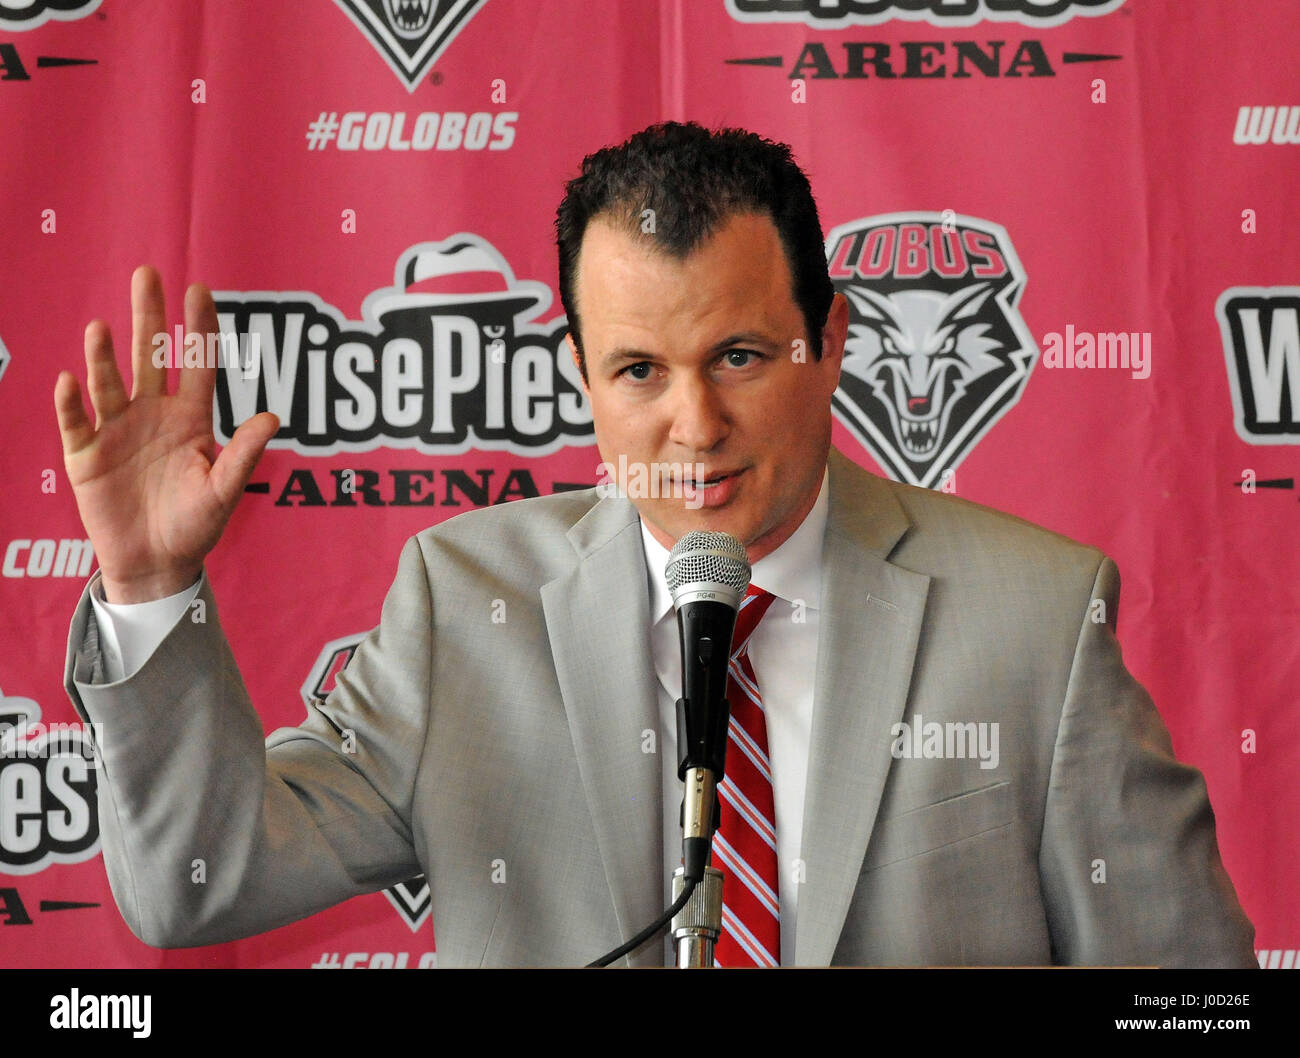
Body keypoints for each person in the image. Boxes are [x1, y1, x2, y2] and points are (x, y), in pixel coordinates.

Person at [57, 122, 1255, 967]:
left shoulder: (1035, 617)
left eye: (737, 355)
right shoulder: (463, 605)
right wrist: (152, 581)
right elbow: (190, 885)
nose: (694, 428)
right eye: (638, 371)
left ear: (825, 341)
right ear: (579, 375)